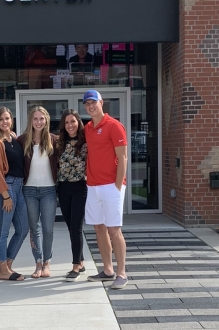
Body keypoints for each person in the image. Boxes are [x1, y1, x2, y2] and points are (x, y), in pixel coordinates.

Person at [82, 90, 129, 290]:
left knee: (113, 229)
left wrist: (118, 185)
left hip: (112, 186)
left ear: (101, 103)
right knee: (98, 228)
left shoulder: (114, 126)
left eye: (93, 102)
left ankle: (122, 274)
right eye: (87, 104)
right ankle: (108, 270)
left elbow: (123, 158)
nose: (90, 106)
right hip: (93, 186)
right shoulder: (88, 128)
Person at [18, 106, 58, 278]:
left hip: (49, 190)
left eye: (42, 118)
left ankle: (47, 262)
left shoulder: (54, 140)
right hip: (29, 191)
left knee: (48, 229)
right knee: (35, 228)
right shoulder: (22, 140)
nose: (39, 122)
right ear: (31, 121)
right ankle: (38, 263)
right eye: (35, 119)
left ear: (46, 120)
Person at [0, 107, 28, 281]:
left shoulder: (14, 138)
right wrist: (5, 195)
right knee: (3, 230)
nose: (5, 122)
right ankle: (2, 270)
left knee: (23, 228)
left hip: (19, 187)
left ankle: (8, 264)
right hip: (6, 187)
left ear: (12, 120)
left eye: (7, 118)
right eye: (1, 119)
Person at [55, 109, 88, 281]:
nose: (70, 125)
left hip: (80, 187)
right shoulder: (59, 142)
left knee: (76, 227)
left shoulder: (86, 141)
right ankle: (81, 261)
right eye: (67, 122)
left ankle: (75, 266)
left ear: (78, 123)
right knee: (70, 227)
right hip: (63, 188)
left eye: (73, 122)